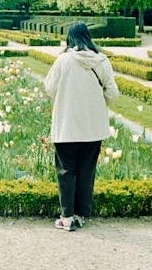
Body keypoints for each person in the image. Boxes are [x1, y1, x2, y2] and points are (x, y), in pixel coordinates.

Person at [44, 21, 119, 231]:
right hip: (93, 127)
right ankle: (80, 215)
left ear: (70, 38)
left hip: (67, 125)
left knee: (66, 171)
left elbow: (49, 88)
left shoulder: (63, 60)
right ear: (88, 37)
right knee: (87, 171)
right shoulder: (101, 60)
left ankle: (66, 217)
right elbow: (113, 93)